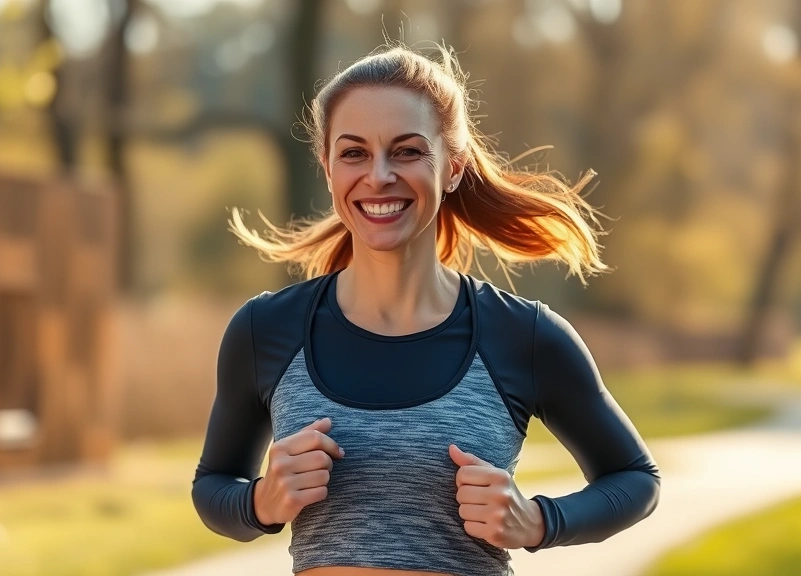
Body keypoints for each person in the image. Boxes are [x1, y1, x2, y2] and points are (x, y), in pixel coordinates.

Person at [192, 42, 660, 576]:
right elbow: (212, 486)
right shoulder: (266, 330)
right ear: (327, 167)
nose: (379, 175)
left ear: (453, 167)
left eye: (408, 151)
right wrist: (261, 503)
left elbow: (634, 478)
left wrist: (536, 520)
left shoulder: (521, 335)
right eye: (354, 153)